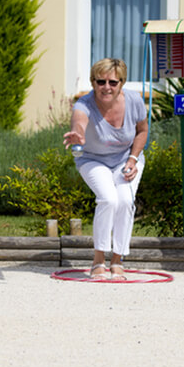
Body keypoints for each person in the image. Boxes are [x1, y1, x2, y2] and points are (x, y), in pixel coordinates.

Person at [63, 58, 148, 281]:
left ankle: (117, 260)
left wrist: (132, 159)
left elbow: (142, 131)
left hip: (126, 158)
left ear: (122, 83)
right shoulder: (84, 103)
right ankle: (98, 260)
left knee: (125, 202)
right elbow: (79, 121)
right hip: (92, 159)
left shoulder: (134, 100)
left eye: (112, 82)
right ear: (93, 82)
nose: (106, 87)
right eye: (100, 82)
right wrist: (77, 133)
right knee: (108, 199)